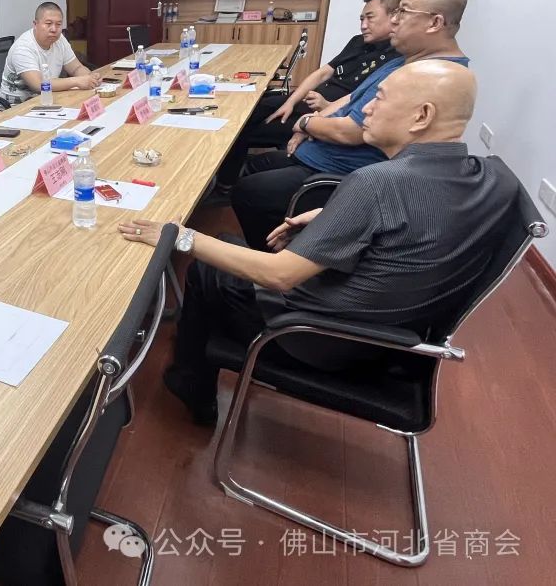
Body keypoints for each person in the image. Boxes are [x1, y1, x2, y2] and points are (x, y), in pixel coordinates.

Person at [119, 61, 516, 424]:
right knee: (225, 247)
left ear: (422, 116)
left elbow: (279, 276)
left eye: (378, 99)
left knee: (207, 264)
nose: (365, 110)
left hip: (322, 339)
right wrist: (333, 213)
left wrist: (181, 235)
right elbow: (421, 215)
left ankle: (191, 381)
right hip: (399, 337)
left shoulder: (378, 183)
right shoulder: (494, 177)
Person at [230, 0, 471, 250]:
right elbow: (350, 98)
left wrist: (306, 123)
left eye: (403, 12)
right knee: (256, 165)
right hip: (321, 150)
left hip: (338, 171)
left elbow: (352, 132)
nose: (394, 20)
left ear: (435, 23)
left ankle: (272, 259)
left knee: (248, 192)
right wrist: (309, 124)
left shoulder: (430, 76)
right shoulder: (408, 60)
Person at [215, 0, 404, 190]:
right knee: (249, 111)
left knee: (243, 130)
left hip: (322, 115)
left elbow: (355, 104)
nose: (363, 25)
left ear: (394, 17)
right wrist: (290, 102)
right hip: (308, 105)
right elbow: (322, 73)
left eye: (370, 18)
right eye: (361, 19)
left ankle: (227, 183)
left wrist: (325, 107)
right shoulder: (358, 42)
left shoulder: (396, 61)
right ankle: (227, 171)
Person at [0, 2, 101, 104]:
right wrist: (77, 81)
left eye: (58, 24)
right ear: (35, 24)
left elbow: (76, 68)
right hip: (17, 107)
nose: (54, 29)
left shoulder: (60, 40)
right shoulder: (22, 47)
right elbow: (38, 85)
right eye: (48, 24)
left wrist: (90, 78)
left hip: (49, 100)